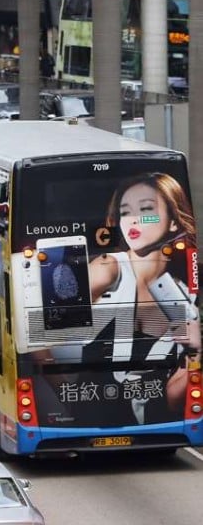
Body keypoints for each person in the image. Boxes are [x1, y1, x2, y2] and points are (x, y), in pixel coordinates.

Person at [86, 172, 200, 423]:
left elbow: (172, 399)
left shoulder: (184, 299)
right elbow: (41, 335)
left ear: (173, 222)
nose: (133, 221)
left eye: (146, 210)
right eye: (125, 213)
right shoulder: (108, 269)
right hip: (85, 412)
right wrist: (64, 404)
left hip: (146, 423)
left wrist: (197, 355)